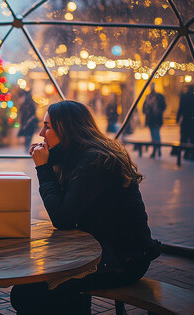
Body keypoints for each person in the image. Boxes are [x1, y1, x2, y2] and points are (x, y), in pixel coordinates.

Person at [10, 100, 161, 315]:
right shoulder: (77, 156)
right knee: (30, 290)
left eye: (48, 126)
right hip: (99, 252)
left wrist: (43, 168)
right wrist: (50, 162)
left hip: (122, 260)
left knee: (28, 294)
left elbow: (63, 218)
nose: (42, 133)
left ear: (68, 128)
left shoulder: (96, 161)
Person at [142, 83, 166, 158]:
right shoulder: (148, 97)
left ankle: (158, 150)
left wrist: (158, 110)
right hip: (151, 119)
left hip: (156, 119)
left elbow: (163, 106)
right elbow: (144, 109)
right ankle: (156, 150)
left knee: (156, 134)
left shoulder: (158, 96)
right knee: (153, 135)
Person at [176, 84, 194, 160]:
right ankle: (191, 153)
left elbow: (180, 108)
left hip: (186, 120)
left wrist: (178, 118)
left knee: (185, 137)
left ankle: (186, 153)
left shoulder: (184, 96)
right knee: (192, 138)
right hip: (191, 120)